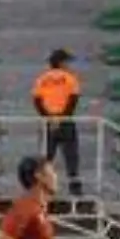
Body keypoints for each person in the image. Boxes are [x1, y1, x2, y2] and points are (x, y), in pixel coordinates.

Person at [33, 49, 84, 198]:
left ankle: (42, 189)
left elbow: (37, 101)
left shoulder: (42, 79)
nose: (69, 65)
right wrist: (62, 118)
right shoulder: (69, 78)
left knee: (46, 158)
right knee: (71, 156)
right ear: (61, 62)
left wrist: (49, 117)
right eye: (67, 61)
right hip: (66, 121)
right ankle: (75, 190)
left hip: (48, 122)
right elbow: (73, 99)